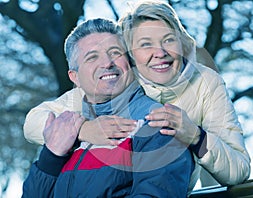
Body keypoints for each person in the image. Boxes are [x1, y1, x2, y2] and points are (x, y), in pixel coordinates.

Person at [23, 0, 250, 189]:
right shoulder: (119, 79)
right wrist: (84, 129)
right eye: (145, 44)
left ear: (181, 43)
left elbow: (238, 169)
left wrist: (195, 136)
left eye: (168, 40)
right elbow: (35, 122)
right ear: (131, 54)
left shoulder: (205, 83)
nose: (160, 53)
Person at [22, 18, 194, 197]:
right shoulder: (67, 134)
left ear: (129, 62)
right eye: (92, 57)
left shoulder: (157, 123)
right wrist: (52, 156)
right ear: (75, 77)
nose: (107, 63)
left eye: (115, 52)